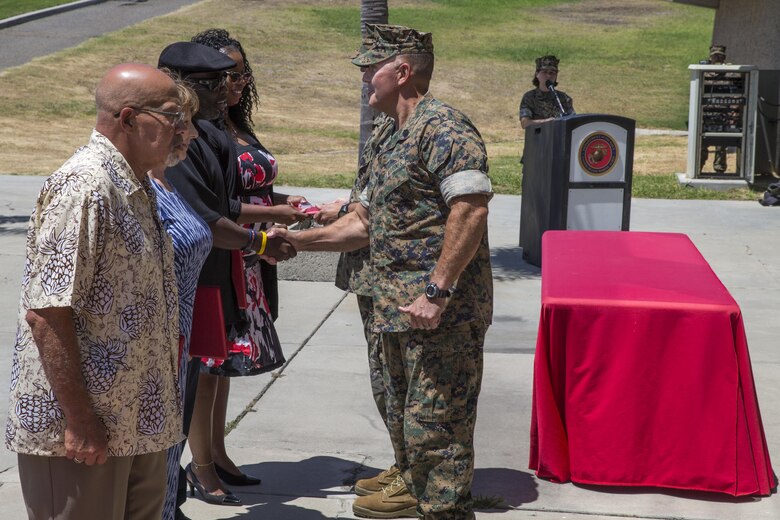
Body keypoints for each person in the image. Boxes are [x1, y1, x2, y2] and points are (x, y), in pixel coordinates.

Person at [272, 24, 493, 519]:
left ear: (403, 70)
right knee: (399, 410)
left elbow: (471, 210)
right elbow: (364, 223)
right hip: (389, 305)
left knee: (437, 423)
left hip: (436, 312)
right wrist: (296, 241)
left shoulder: (445, 129)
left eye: (371, 68)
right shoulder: (388, 135)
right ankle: (412, 483)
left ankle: (444, 510)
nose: (364, 78)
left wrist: (437, 291)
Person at [5, 63, 187, 520]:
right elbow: (48, 315)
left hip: (139, 425)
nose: (183, 129)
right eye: (171, 116)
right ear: (128, 119)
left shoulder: (138, 183)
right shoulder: (86, 188)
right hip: (86, 435)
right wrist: (81, 421)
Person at [157, 41, 296, 510]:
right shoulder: (179, 139)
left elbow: (223, 206)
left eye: (232, 78)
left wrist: (271, 216)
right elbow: (206, 219)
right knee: (176, 395)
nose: (228, 88)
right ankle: (181, 482)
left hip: (214, 279)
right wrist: (259, 241)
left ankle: (180, 484)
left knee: (200, 378)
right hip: (187, 286)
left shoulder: (210, 133)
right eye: (215, 82)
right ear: (182, 85)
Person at [189, 27, 307, 490]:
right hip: (225, 254)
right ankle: (200, 469)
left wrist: (283, 201)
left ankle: (217, 453)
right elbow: (217, 205)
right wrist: (274, 211)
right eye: (226, 73)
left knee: (226, 365)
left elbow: (246, 187)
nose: (236, 81)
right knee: (207, 364)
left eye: (241, 72)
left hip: (251, 258)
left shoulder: (235, 124)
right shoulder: (202, 127)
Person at [148, 81, 213, 520]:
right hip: (153, 351)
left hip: (179, 346)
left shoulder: (165, 182)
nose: (189, 134)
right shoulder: (140, 190)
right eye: (182, 123)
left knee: (167, 465)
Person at [519, 55, 575, 129]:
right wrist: (547, 122)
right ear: (537, 74)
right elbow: (525, 123)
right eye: (544, 72)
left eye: (552, 73)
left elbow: (574, 122)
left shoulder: (564, 98)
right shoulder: (529, 97)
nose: (548, 76)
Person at [699, 44, 729, 174]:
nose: (717, 58)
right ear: (710, 57)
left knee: (721, 145)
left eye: (720, 56)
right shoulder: (703, 71)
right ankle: (698, 167)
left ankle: (719, 169)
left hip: (722, 114)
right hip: (705, 114)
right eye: (715, 55)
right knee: (702, 143)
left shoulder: (729, 72)